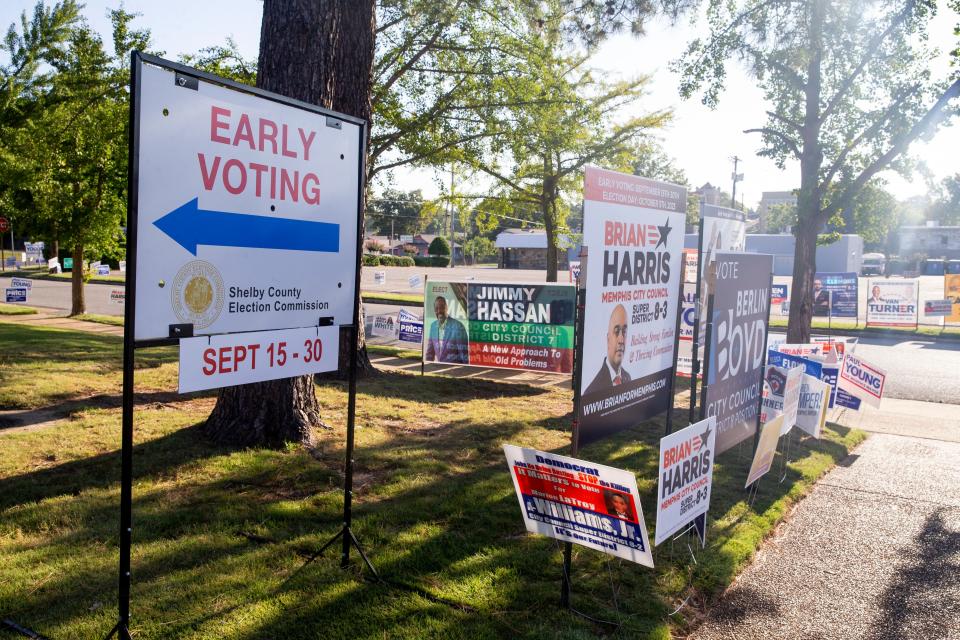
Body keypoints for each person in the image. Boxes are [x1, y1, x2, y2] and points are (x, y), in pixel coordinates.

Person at [585, 304, 630, 394]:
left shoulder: (627, 377)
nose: (621, 340)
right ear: (608, 339)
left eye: (624, 332)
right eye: (616, 332)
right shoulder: (592, 391)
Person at [424, 295, 468, 364]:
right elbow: (430, 354)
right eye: (436, 309)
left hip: (454, 372)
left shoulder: (458, 326)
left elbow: (464, 356)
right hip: (438, 371)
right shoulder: (433, 326)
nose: (439, 311)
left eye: (441, 307)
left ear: (446, 308)